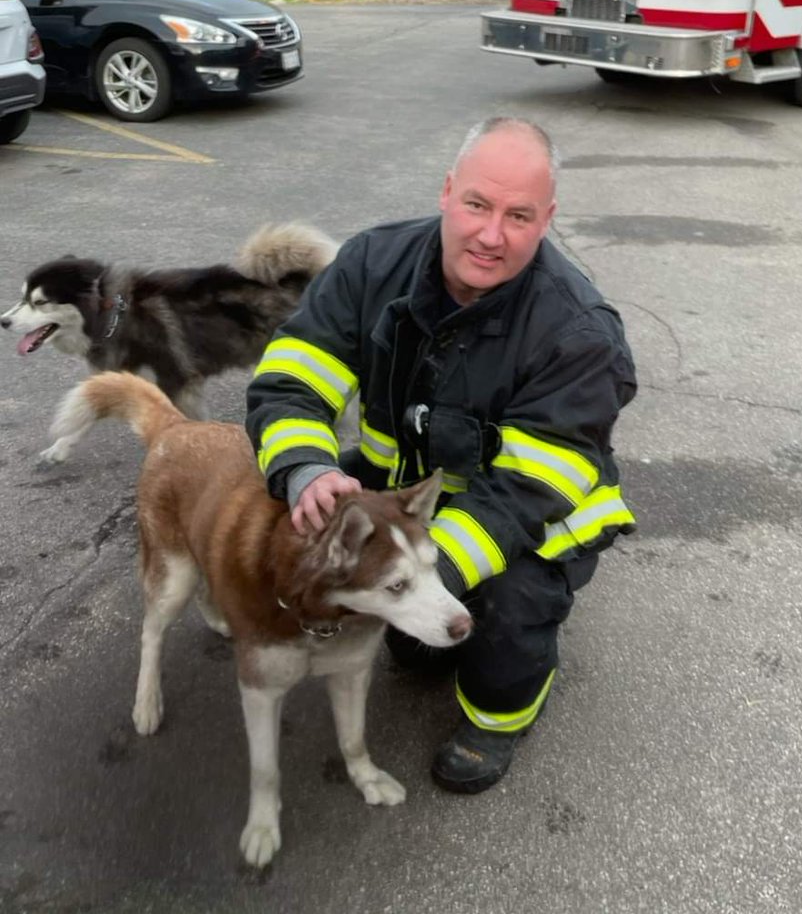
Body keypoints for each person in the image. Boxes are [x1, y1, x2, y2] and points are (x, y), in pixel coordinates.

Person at [245, 117, 637, 794]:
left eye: (518, 216)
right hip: (410, 491)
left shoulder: (577, 333)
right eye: (478, 205)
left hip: (531, 515)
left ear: (547, 220)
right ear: (447, 191)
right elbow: (292, 376)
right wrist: (306, 467)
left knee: (508, 606)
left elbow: (523, 493)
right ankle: (426, 622)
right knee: (298, 517)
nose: (491, 235)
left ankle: (499, 715)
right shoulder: (371, 262)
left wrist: (417, 581)